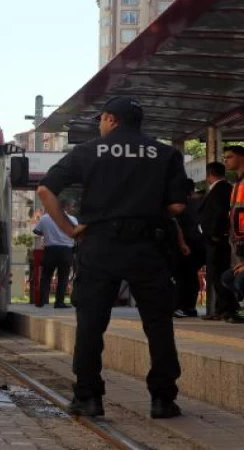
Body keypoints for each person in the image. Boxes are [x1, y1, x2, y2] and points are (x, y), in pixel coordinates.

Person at [37, 96, 185, 419]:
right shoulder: (165, 153)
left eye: (101, 120)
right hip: (148, 245)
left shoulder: (88, 151)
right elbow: (177, 207)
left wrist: (67, 229)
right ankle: (162, 399)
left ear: (110, 119)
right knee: (158, 324)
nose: (100, 126)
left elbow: (46, 190)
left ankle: (88, 397)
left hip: (100, 245)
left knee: (91, 323)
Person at [205, 148, 244, 323]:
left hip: (238, 240)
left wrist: (216, 234)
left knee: (234, 279)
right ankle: (235, 309)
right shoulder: (236, 183)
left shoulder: (234, 184)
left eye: (230, 157)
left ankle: (231, 309)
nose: (226, 161)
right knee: (228, 277)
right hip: (236, 240)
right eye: (225, 158)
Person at [33, 199, 77, 308]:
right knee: (63, 277)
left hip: (50, 251)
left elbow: (36, 231)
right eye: (71, 206)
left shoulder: (45, 218)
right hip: (66, 251)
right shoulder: (72, 219)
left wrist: (47, 233)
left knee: (46, 276)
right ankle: (59, 302)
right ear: (66, 207)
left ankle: (42, 301)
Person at [172, 178, 205, 318]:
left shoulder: (182, 206)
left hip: (186, 246)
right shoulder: (199, 203)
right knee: (190, 277)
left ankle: (184, 307)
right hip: (199, 245)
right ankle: (188, 307)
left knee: (184, 277)